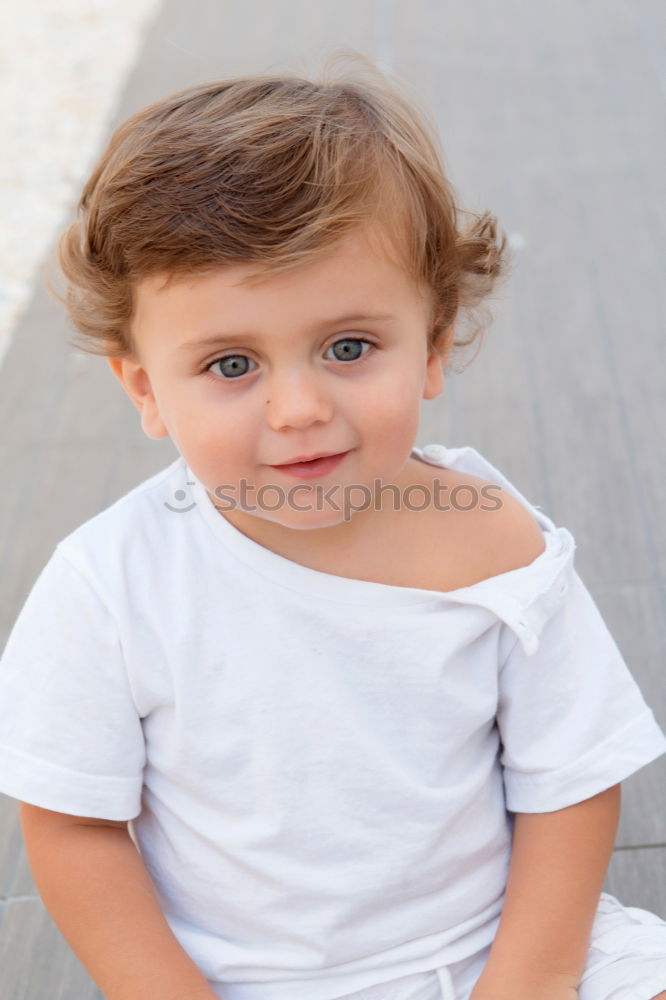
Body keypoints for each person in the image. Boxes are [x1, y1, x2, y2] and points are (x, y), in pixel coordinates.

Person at [0, 54, 665, 1000]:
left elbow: (574, 775)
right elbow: (73, 825)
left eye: (349, 347)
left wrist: (530, 979)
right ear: (146, 388)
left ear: (432, 346)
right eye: (232, 365)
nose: (300, 408)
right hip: (251, 982)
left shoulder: (492, 538)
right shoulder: (112, 585)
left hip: (510, 941)